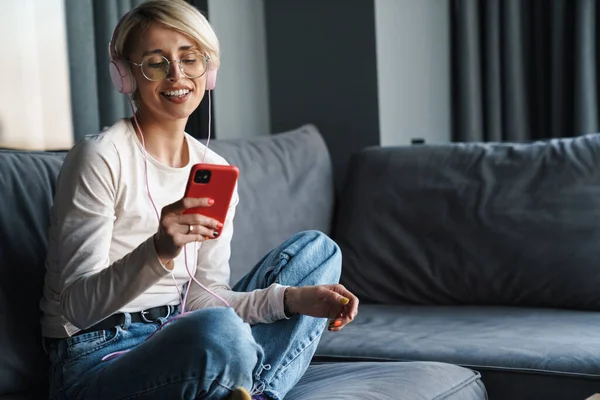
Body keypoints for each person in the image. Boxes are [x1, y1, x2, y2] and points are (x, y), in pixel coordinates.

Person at [39, 1, 359, 399]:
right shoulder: (101, 157)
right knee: (221, 332)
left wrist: (292, 300)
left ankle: (248, 391)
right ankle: (246, 386)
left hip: (182, 328)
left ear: (208, 72)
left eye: (190, 59)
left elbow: (203, 297)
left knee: (317, 253)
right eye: (156, 63)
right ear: (126, 76)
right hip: (99, 353)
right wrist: (159, 249)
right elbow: (77, 309)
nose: (177, 75)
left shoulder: (213, 167)